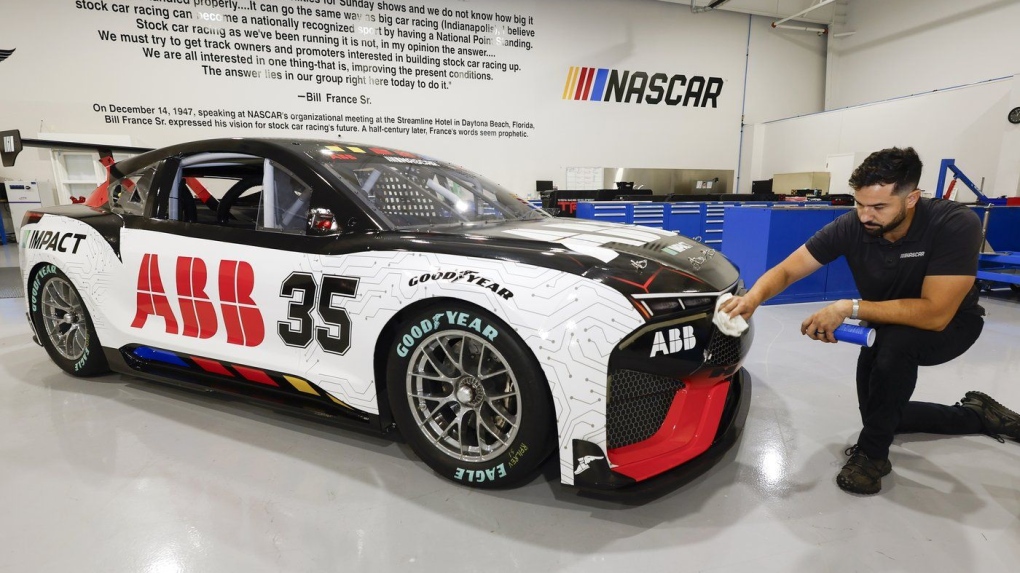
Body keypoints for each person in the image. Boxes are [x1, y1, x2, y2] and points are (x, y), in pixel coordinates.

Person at [720, 146, 1020, 495]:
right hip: (885, 323)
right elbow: (789, 268)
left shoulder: (952, 224)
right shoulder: (853, 225)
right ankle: (978, 415)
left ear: (912, 199)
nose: (865, 216)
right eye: (859, 204)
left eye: (878, 207)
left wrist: (850, 307)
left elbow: (936, 313)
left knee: (895, 350)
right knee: (881, 413)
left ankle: (873, 456)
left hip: (953, 324)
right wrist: (752, 299)